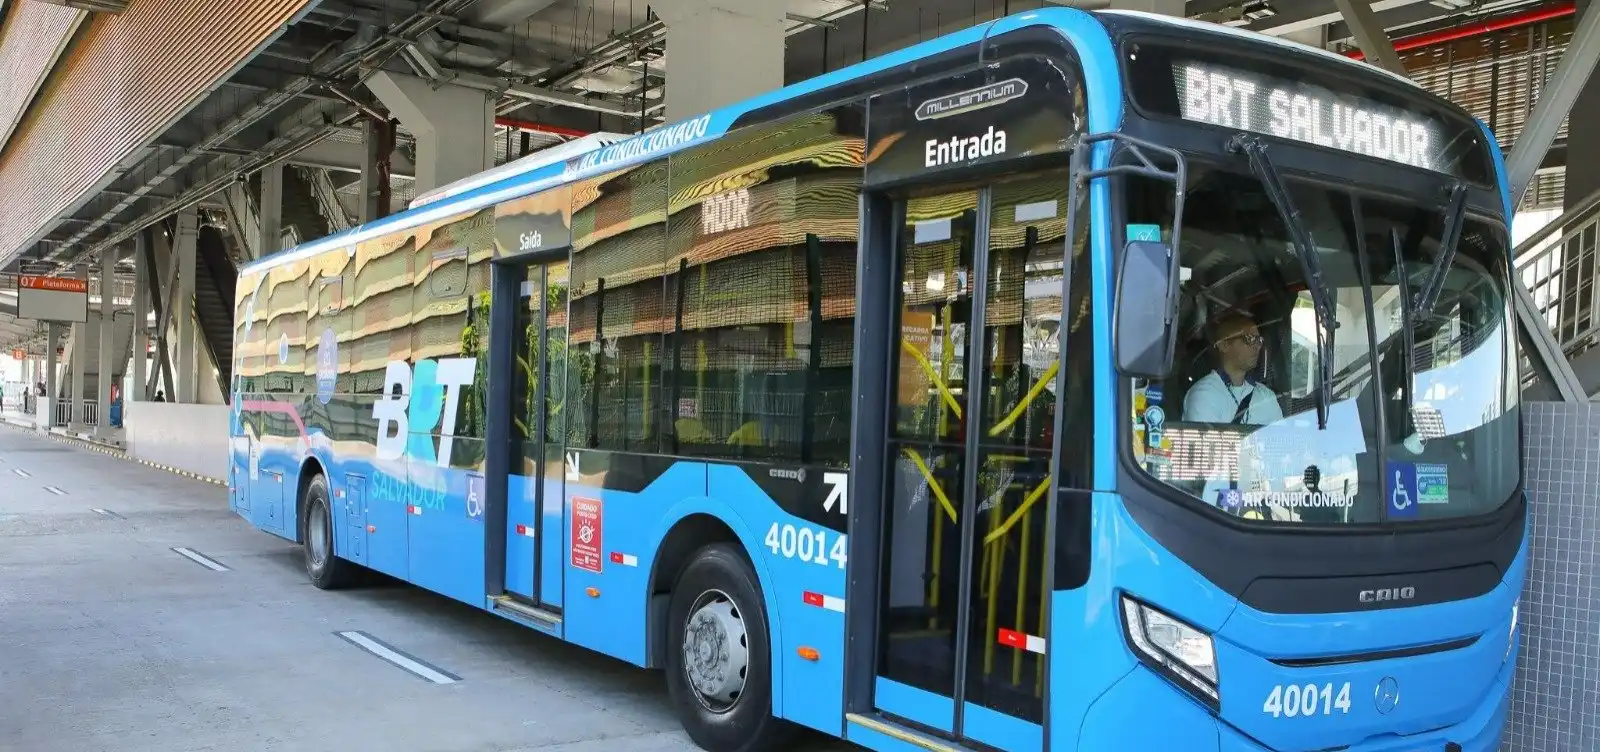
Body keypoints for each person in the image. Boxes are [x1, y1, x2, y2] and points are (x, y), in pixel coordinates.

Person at [1182, 313, 1283, 426]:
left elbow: (1280, 440)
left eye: (1259, 340)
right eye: (1249, 339)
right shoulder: (1204, 394)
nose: (1257, 346)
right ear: (1224, 345)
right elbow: (1207, 442)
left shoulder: (1266, 396)